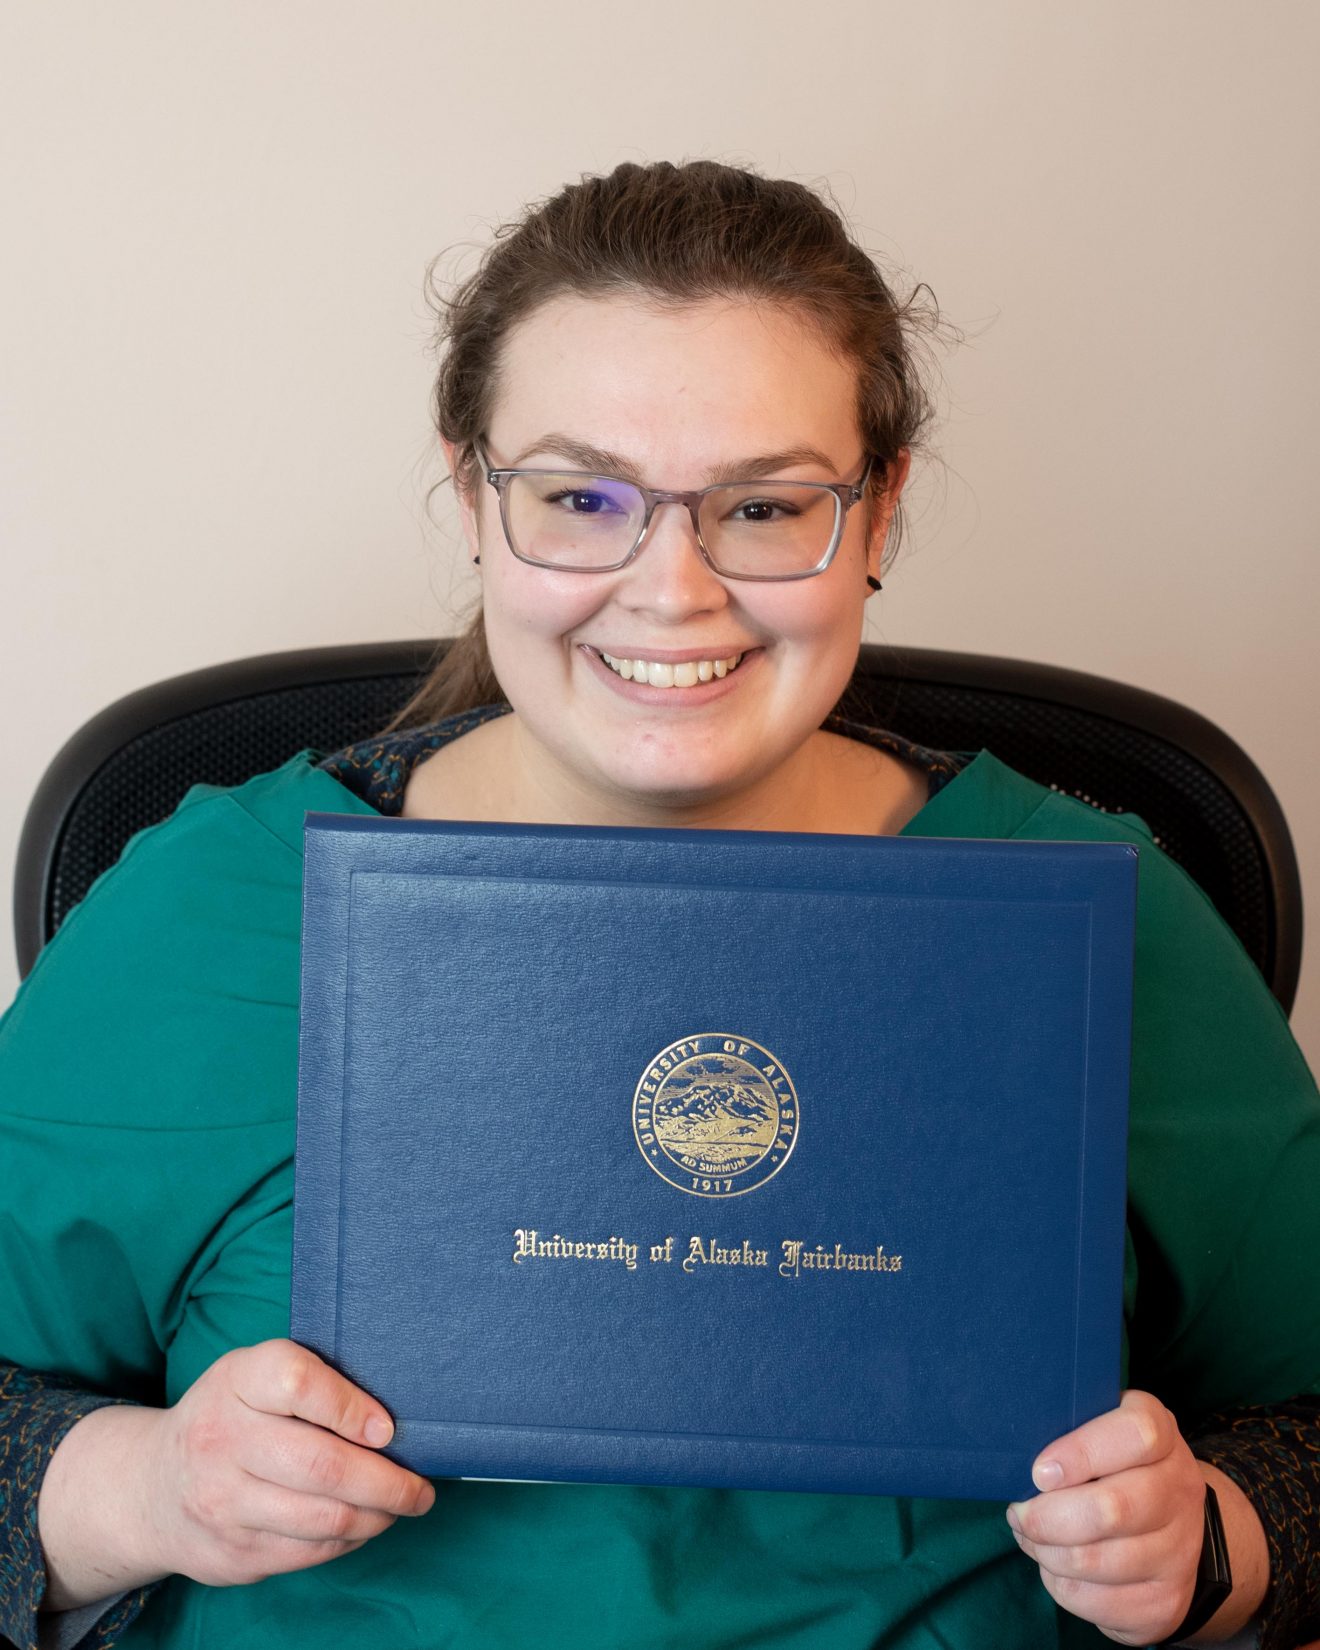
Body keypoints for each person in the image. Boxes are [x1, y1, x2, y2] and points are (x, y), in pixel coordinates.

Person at [1, 160, 1318, 1650]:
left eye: (764, 505)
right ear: (473, 497)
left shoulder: (1103, 918)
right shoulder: (206, 912)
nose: (670, 588)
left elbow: (1307, 1423)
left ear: (877, 512)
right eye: (581, 498)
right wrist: (148, 1487)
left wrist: (1216, 1539)